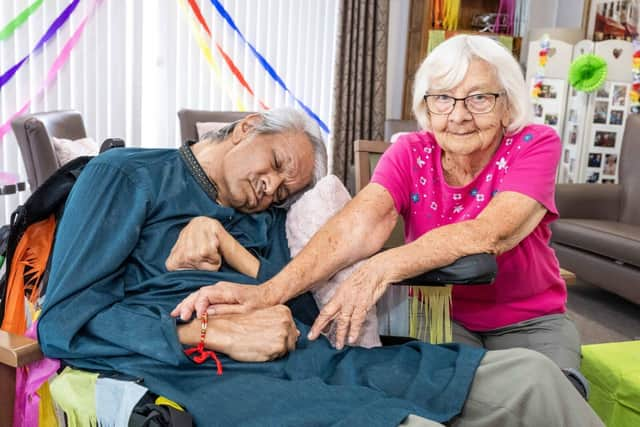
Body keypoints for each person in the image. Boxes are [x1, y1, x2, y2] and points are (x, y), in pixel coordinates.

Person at [37, 105, 602, 427]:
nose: (273, 187)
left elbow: (297, 304)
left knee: (530, 377)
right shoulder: (128, 176)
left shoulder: (258, 220)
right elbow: (63, 321)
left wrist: (233, 252)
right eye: (279, 162)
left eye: (288, 187)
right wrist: (203, 330)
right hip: (203, 372)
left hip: (312, 356)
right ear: (245, 126)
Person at [173, 36, 592, 400]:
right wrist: (267, 294)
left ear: (507, 105)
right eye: (443, 98)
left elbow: (492, 232)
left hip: (530, 320)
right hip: (444, 315)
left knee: (553, 397)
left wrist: (381, 266)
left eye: (479, 98)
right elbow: (358, 223)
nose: (460, 115)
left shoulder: (533, 143)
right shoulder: (411, 151)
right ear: (426, 107)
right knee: (462, 401)